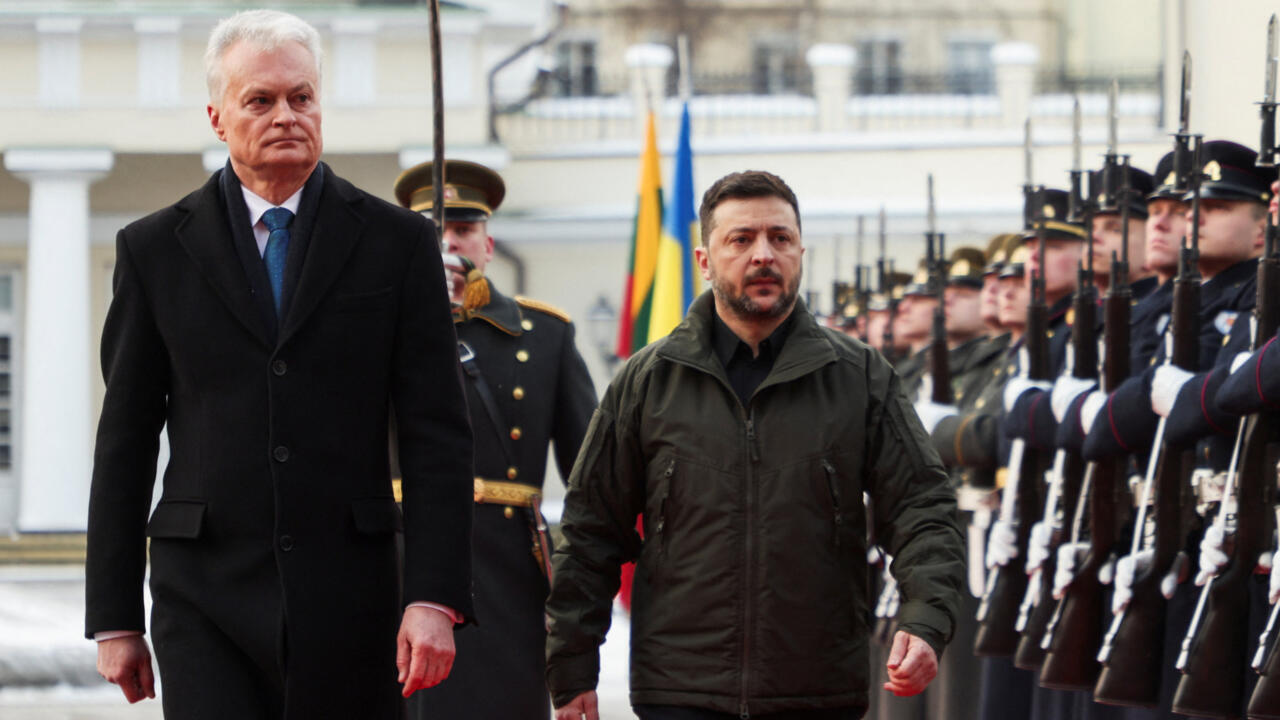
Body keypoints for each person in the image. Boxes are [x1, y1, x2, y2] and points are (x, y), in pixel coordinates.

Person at [84, 10, 473, 718]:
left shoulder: (398, 244)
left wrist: (433, 597)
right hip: (203, 597)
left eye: (302, 97)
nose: (285, 116)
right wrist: (115, 617)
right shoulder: (154, 251)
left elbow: (437, 433)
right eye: (260, 100)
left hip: (355, 594)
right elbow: (126, 441)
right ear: (217, 117)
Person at [545, 170, 965, 720]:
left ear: (800, 252)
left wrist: (927, 618)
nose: (764, 254)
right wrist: (571, 665)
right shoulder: (648, 381)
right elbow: (591, 529)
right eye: (741, 239)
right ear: (704, 260)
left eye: (780, 238)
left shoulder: (860, 377)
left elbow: (922, 507)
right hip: (680, 691)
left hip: (816, 691)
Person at [394, 159, 597, 720]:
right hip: (399, 564)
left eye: (463, 230)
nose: (448, 243)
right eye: (432, 231)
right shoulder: (377, 327)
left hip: (505, 574)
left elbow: (591, 481)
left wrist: (576, 606)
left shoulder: (545, 334)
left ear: (486, 244)